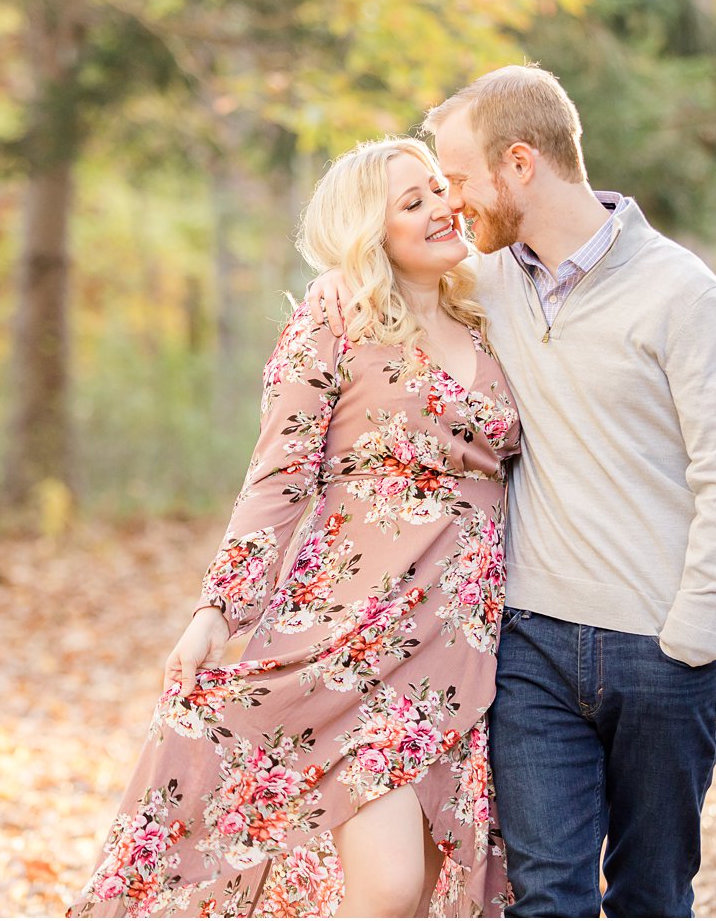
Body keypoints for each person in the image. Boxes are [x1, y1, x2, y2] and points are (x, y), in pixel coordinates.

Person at [309, 64, 716, 918]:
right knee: (544, 896)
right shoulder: (483, 285)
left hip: (664, 650)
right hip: (531, 650)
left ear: (520, 163)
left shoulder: (683, 293)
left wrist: (696, 632)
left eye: (457, 179)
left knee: (651, 897)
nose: (450, 203)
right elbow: (384, 293)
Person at [68, 137, 522, 918]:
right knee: (384, 891)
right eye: (410, 203)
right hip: (351, 636)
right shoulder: (335, 312)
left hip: (461, 649)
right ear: (370, 232)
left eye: (439, 190)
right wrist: (220, 607)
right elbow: (279, 473)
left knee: (417, 892)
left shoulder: (486, 318)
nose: (442, 208)